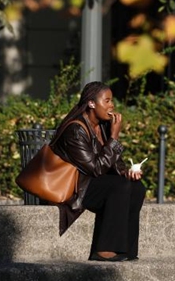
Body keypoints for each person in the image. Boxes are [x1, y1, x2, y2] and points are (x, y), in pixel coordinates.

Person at [50, 81, 145, 262]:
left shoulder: (102, 126)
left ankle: (128, 249)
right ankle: (104, 250)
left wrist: (127, 172)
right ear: (92, 103)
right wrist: (114, 137)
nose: (112, 106)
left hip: (93, 182)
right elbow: (96, 169)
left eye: (112, 101)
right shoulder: (75, 130)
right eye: (107, 101)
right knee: (119, 187)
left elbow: (114, 164)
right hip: (75, 188)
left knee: (136, 187)